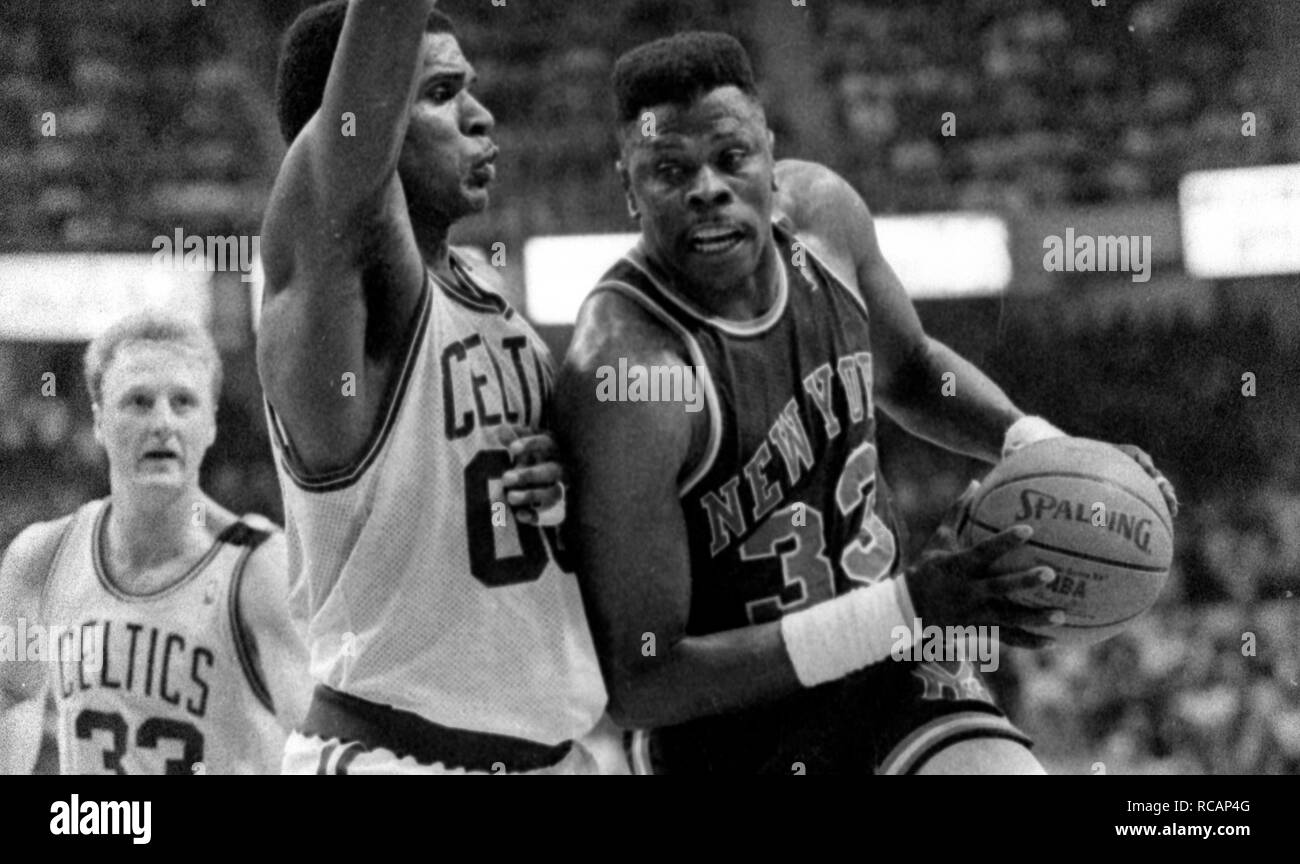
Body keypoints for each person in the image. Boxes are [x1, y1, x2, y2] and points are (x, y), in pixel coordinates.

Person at [555, 32, 1179, 774]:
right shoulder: (626, 371)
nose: (708, 189)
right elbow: (641, 680)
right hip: (729, 726)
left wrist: (1044, 447)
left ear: (768, 153)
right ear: (627, 186)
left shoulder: (824, 217)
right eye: (668, 171)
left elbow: (913, 373)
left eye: (731, 159)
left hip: (896, 670)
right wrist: (905, 607)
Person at [259, 0, 606, 774]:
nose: (482, 117)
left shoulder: (482, 287)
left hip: (548, 754)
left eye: (469, 88)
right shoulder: (340, 294)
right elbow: (347, 152)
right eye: (443, 94)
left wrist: (564, 480)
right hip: (394, 756)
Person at [0, 312, 308, 774]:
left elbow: (315, 745)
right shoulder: (40, 558)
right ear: (100, 422)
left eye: (183, 402)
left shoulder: (257, 569)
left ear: (211, 425)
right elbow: (15, 695)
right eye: (139, 402)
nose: (162, 421)